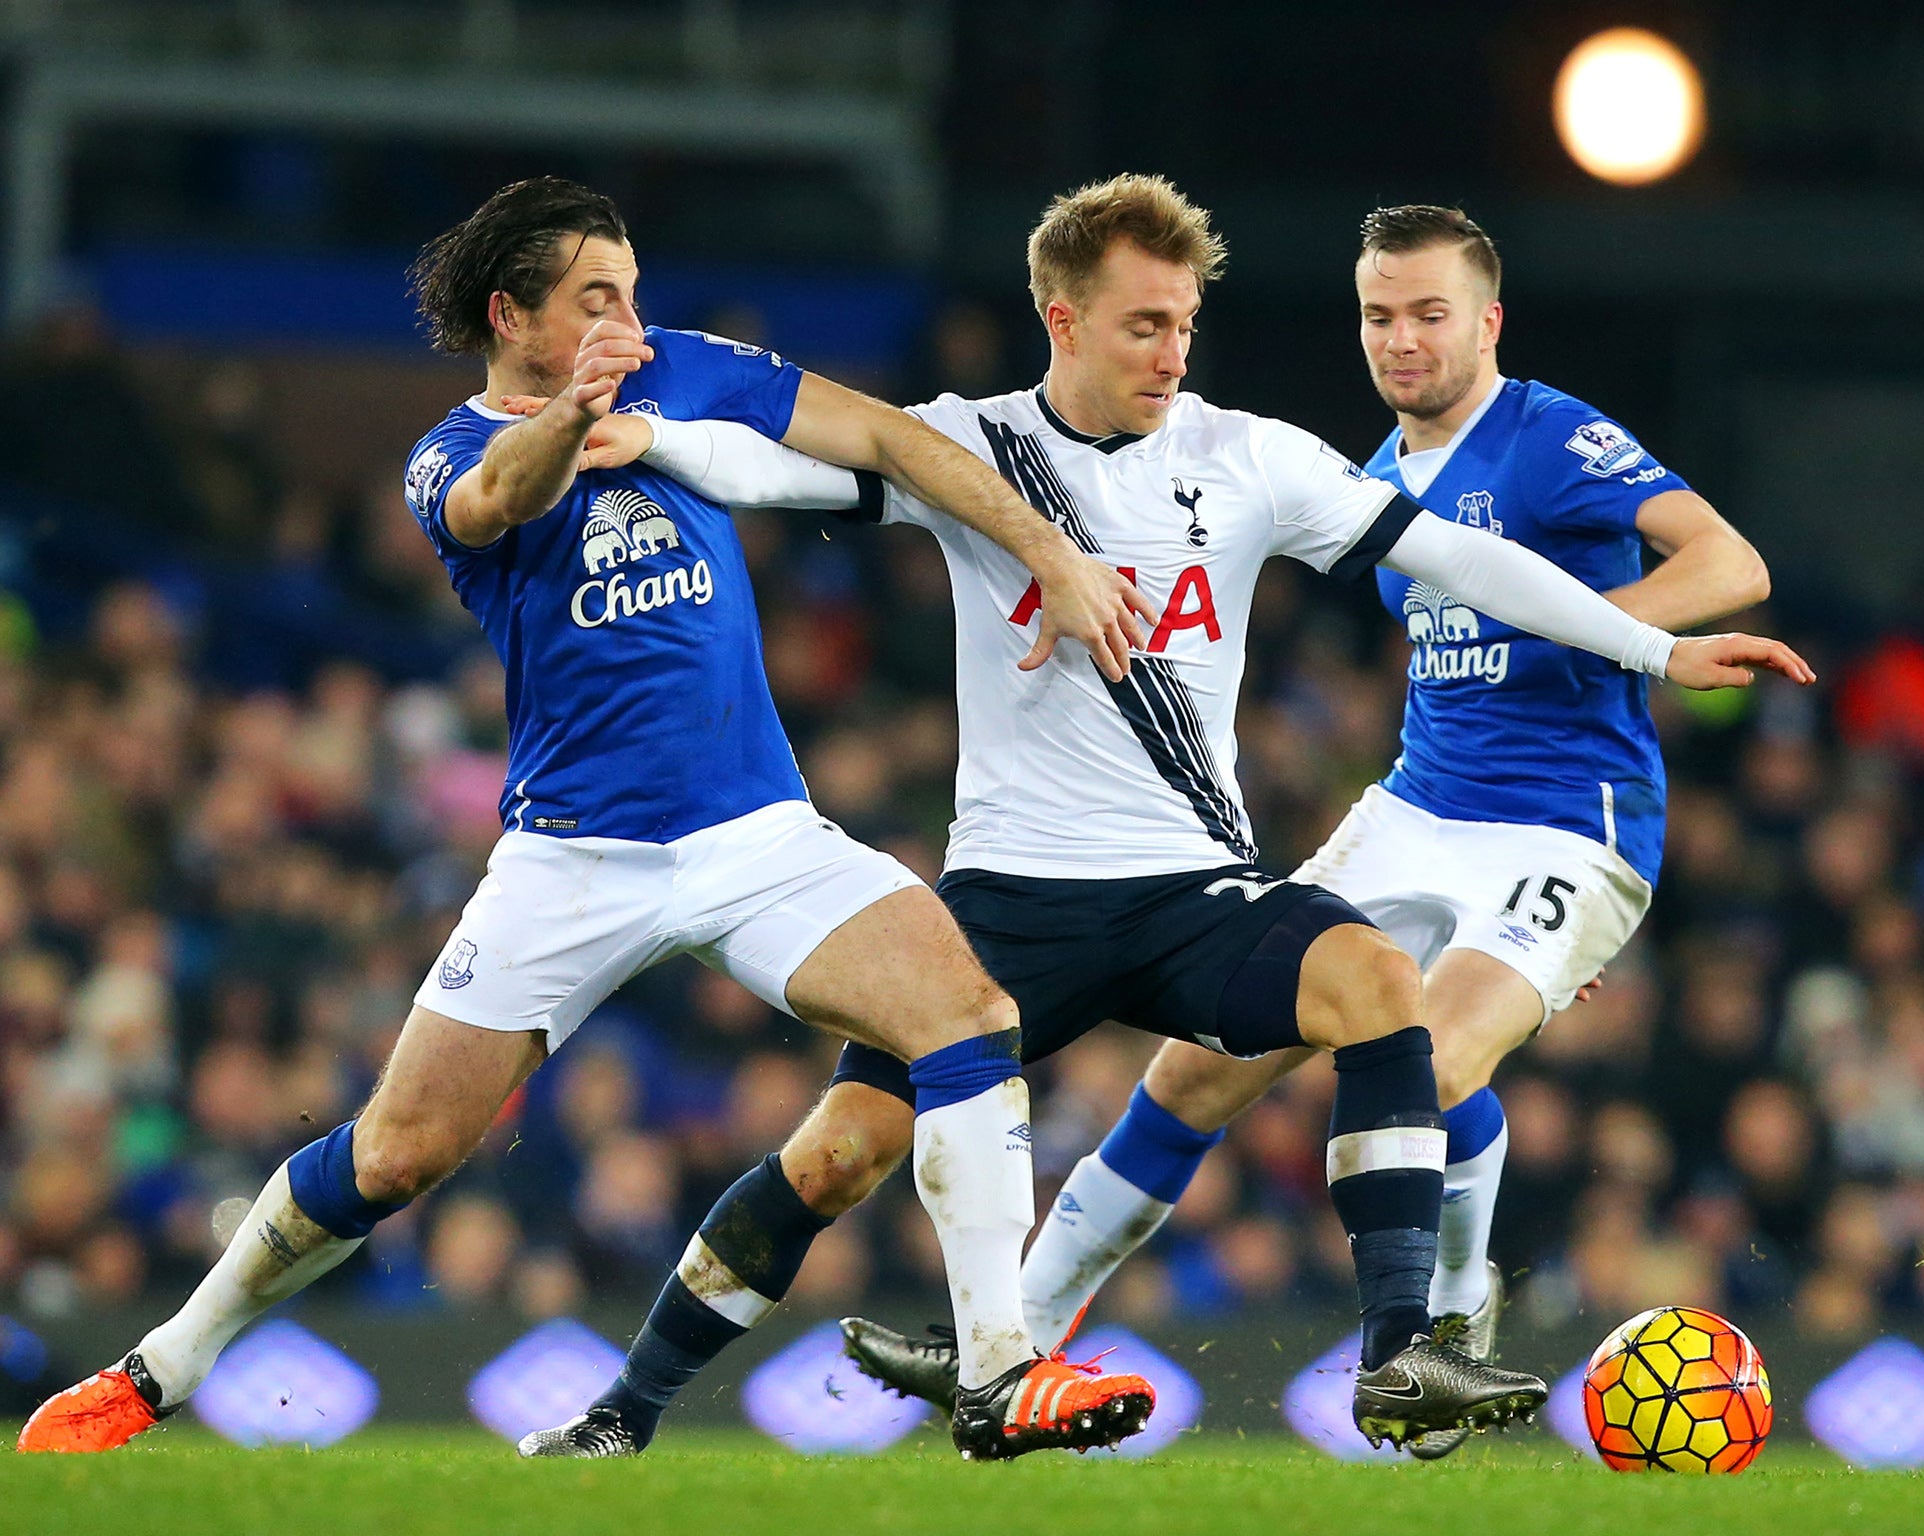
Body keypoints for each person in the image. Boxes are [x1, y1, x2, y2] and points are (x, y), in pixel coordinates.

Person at [512, 174, 1811, 1457]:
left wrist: (1651, 653)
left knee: (1374, 988)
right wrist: (660, 442)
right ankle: (629, 1412)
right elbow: (788, 471)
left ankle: (1407, 1350)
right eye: (1144, 324)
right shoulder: (969, 448)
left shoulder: (1251, 458)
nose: (1172, 350)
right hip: (1017, 898)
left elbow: (1460, 559)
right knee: (839, 1151)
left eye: (1186, 322)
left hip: (1198, 887)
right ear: (1062, 317)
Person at [16, 176, 1163, 1462]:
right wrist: (573, 412)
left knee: (969, 1016)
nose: (627, 319)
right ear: (512, 316)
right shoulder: (444, 453)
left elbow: (893, 440)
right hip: (571, 857)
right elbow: (499, 497)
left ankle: (1000, 1368)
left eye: (630, 291)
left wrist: (1053, 554)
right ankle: (158, 1368)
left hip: (755, 835)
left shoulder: (682, 371)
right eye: (593, 298)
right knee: (398, 1156)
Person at [849, 204, 1779, 1462]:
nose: (1399, 341)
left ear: (1486, 322)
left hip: (1566, 828)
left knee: (1429, 1060)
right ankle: (1011, 1342)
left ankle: (1441, 1319)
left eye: (1428, 315)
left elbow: (1729, 563)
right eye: (1377, 316)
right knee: (1188, 1072)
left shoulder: (1551, 435)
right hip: (1411, 808)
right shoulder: (1375, 475)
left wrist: (1601, 624)